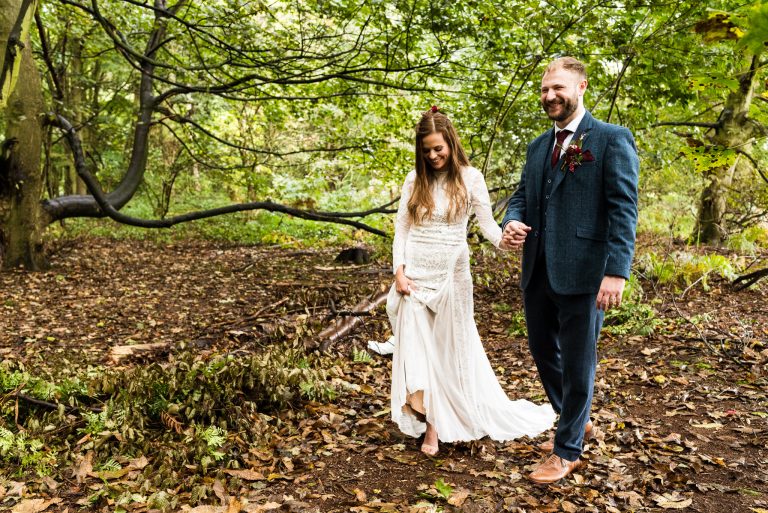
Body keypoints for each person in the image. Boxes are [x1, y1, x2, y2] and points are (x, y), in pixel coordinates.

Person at [387, 107, 555, 456]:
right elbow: (402, 228)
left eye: (439, 148)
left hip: (452, 273)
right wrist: (399, 271)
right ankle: (430, 422)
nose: (433, 156)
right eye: (427, 150)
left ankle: (439, 423)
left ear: (451, 143)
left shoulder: (470, 178)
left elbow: (487, 225)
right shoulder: (412, 181)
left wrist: (505, 239)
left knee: (448, 349)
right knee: (421, 350)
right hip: (415, 274)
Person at [501, 57, 639, 483]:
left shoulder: (611, 139)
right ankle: (574, 419)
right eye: (544, 90)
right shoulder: (538, 146)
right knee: (544, 351)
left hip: (584, 271)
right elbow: (523, 195)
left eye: (558, 88)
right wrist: (512, 220)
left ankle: (567, 449)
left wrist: (616, 271)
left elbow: (623, 208)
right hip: (537, 268)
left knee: (579, 361)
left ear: (581, 87)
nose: (549, 96)